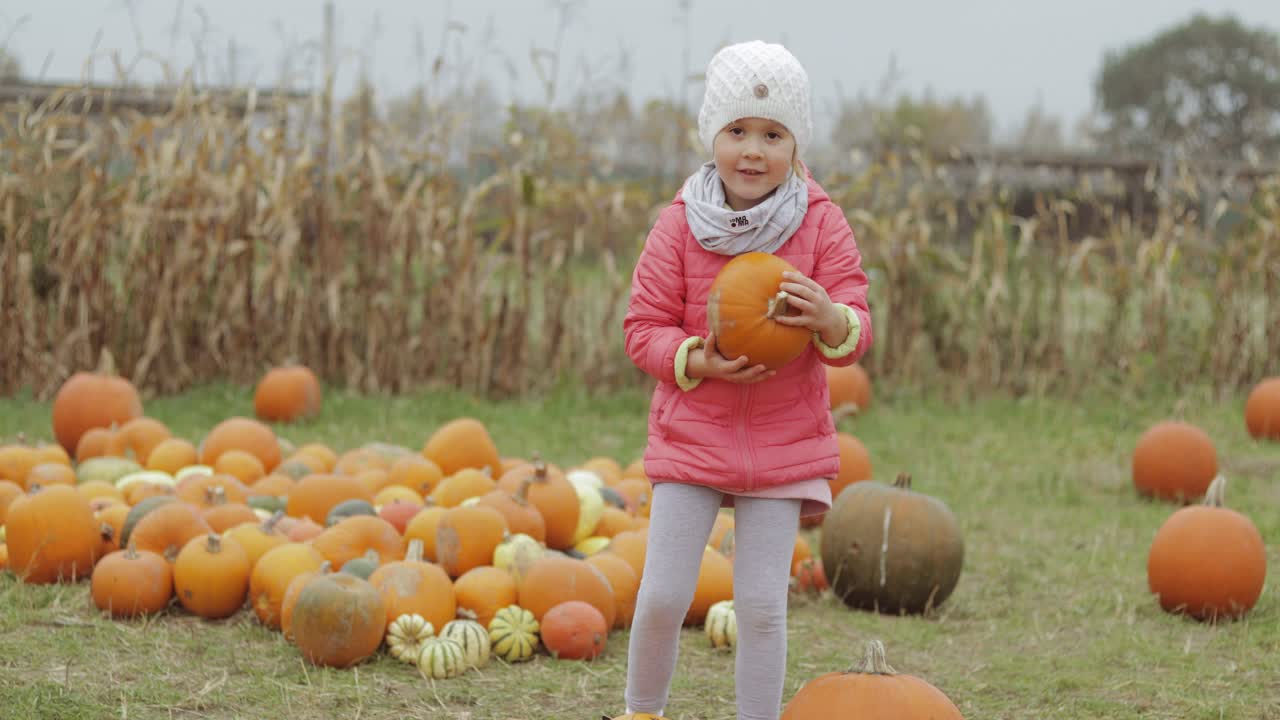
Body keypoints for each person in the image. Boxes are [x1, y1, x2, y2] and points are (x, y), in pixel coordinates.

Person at [615, 39, 873, 720]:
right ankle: (643, 710)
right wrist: (692, 359)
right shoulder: (678, 226)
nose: (753, 150)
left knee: (761, 606)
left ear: (796, 144)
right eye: (737, 131)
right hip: (693, 437)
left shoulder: (820, 225)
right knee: (665, 594)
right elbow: (642, 326)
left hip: (784, 442)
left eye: (772, 134)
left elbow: (857, 324)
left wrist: (828, 316)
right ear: (713, 136)